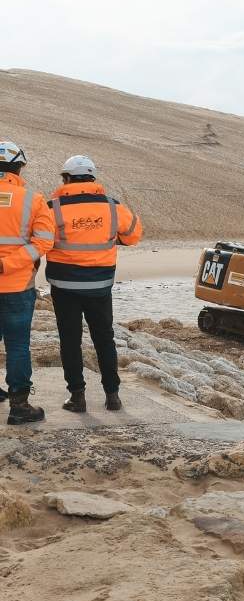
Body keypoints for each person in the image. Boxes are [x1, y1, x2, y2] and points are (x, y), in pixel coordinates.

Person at [45, 155, 142, 412]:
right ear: (93, 179)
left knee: (70, 340)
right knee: (104, 338)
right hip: (100, 285)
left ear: (66, 178)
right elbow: (133, 235)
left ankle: (77, 397)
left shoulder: (53, 207)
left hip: (64, 286)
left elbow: (42, 240)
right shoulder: (112, 206)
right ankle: (113, 396)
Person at [0, 141, 54, 424]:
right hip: (17, 286)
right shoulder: (33, 199)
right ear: (19, 167)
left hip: (16, 286)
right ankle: (19, 406)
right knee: (18, 346)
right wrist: (8, 264)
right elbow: (44, 241)